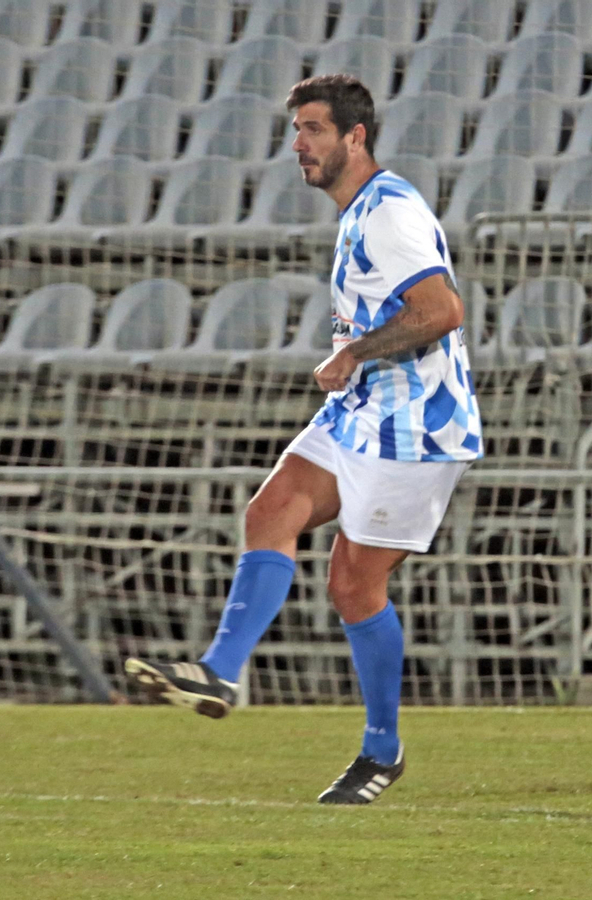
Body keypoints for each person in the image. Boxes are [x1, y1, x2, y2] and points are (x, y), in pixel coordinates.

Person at [124, 74, 483, 805]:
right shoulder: (359, 212)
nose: (299, 145)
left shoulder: (388, 213)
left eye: (314, 130)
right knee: (271, 511)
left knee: (354, 586)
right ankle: (221, 669)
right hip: (361, 408)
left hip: (413, 425)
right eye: (297, 131)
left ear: (355, 137)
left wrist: (356, 351)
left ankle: (381, 752)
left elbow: (443, 311)